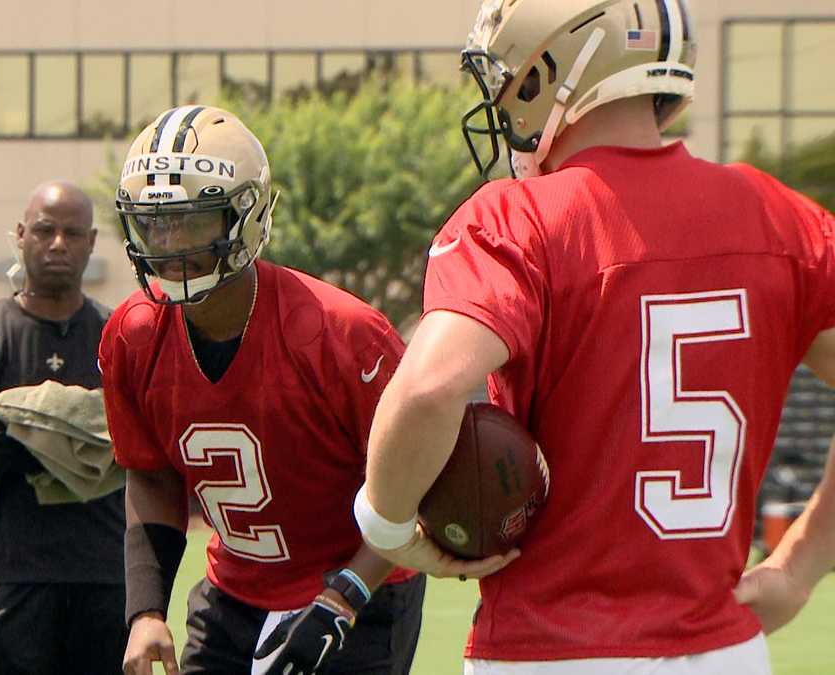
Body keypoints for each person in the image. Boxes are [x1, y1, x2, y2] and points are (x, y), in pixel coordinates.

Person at [357, 2, 835, 674]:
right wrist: (798, 567)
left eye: (508, 78)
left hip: (550, 650)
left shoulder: (518, 218)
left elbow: (430, 388)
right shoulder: (781, 218)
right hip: (723, 650)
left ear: (556, 67)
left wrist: (384, 524)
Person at [102, 105, 424, 675]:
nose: (168, 241)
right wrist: (146, 610)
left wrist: (344, 597)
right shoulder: (132, 335)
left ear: (244, 217)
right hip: (236, 592)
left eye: (191, 219)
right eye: (154, 221)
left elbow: (412, 481)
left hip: (360, 582)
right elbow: (150, 472)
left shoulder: (339, 333)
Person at [0, 181, 126, 674]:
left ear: (91, 243)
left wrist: (19, 419)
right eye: (45, 230)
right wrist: (89, 438)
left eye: (72, 232)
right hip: (7, 569)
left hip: (103, 571)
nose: (58, 243)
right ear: (21, 236)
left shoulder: (121, 336)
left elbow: (143, 438)